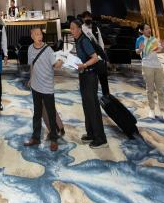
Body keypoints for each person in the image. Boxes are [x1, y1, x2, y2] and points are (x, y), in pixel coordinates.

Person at [24, 26, 64, 151]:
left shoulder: (48, 50)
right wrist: (31, 79)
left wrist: (62, 60)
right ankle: (35, 137)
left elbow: (56, 65)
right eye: (36, 34)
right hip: (36, 86)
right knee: (37, 113)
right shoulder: (30, 48)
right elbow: (32, 65)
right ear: (32, 36)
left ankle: (54, 139)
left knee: (51, 113)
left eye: (40, 34)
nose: (39, 36)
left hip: (47, 87)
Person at [71, 19, 107, 148]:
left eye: (73, 28)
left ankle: (100, 139)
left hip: (90, 76)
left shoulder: (84, 40)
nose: (71, 31)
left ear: (79, 29)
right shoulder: (78, 40)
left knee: (93, 107)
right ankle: (91, 133)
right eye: (70, 28)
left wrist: (84, 65)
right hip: (84, 75)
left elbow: (95, 58)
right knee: (86, 105)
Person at [136, 23, 164, 119]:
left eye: (149, 28)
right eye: (146, 29)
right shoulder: (140, 39)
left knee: (160, 90)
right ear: (142, 31)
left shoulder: (154, 39)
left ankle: (162, 110)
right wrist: (140, 49)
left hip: (157, 66)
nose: (149, 30)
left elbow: (160, 50)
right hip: (147, 65)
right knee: (150, 90)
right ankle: (152, 109)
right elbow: (137, 51)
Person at [81, 12, 109, 96]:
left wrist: (101, 53)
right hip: (88, 57)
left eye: (89, 17)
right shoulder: (81, 29)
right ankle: (92, 96)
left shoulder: (96, 28)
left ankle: (106, 95)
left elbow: (100, 41)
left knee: (103, 77)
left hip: (98, 56)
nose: (88, 19)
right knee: (91, 79)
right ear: (83, 19)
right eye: (86, 17)